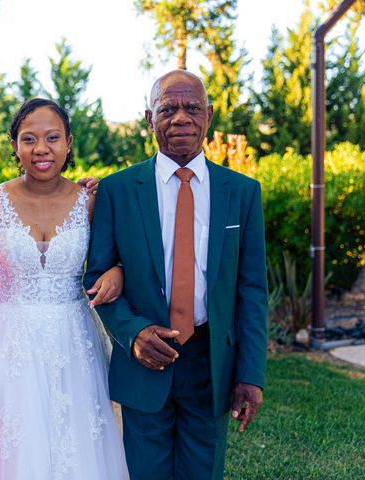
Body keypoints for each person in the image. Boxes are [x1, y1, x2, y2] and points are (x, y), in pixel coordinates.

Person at [84, 70, 268, 480]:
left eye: (192, 108)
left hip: (211, 363)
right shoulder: (117, 191)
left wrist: (250, 374)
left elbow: (252, 290)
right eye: (168, 108)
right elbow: (97, 277)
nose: (181, 118)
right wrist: (133, 334)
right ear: (149, 118)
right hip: (144, 361)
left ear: (210, 115)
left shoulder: (241, 192)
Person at [0, 98, 130, 480]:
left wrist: (119, 273)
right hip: (11, 338)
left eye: (52, 138)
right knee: (15, 439)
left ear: (68, 143)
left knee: (77, 437)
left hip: (73, 335)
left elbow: (116, 259)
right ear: (14, 146)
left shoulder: (91, 200)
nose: (41, 149)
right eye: (29, 139)